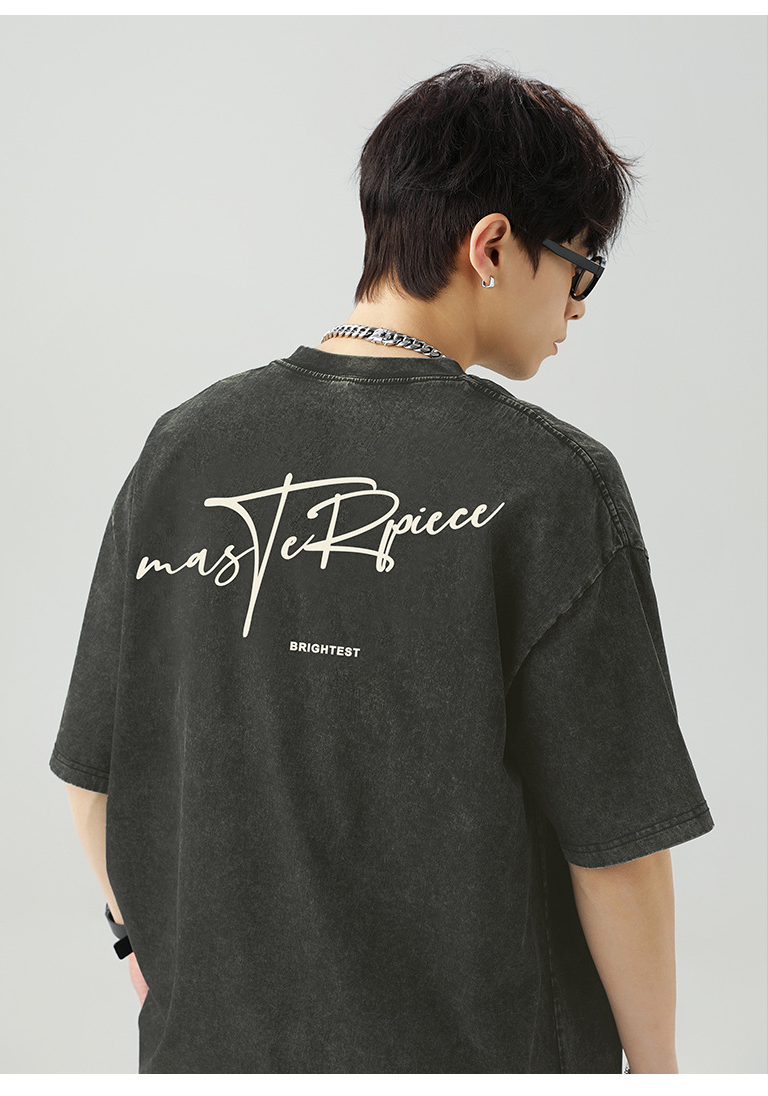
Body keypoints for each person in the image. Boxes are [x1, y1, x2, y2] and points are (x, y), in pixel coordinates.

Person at [50, 59, 715, 1074]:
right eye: (580, 266)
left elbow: (93, 778)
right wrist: (660, 1070)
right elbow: (617, 850)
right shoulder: (549, 484)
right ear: (492, 245)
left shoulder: (182, 449)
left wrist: (141, 948)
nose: (579, 306)